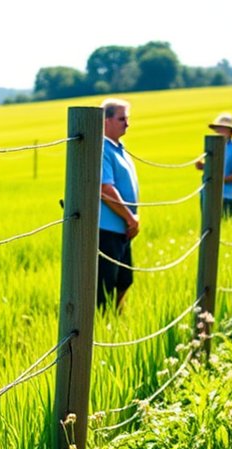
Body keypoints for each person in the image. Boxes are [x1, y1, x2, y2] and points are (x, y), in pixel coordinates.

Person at [97, 98, 140, 312]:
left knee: (125, 279)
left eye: (127, 119)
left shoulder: (118, 148)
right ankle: (101, 323)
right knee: (105, 284)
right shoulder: (102, 149)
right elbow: (105, 190)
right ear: (106, 121)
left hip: (122, 228)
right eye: (122, 119)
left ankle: (114, 316)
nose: (127, 124)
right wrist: (130, 217)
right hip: (107, 229)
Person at [195, 112, 232, 218]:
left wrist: (219, 180)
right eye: (218, 128)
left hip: (226, 195)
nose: (219, 131)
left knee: (223, 224)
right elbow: (213, 166)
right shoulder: (214, 146)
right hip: (208, 192)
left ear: (231, 131)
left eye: (223, 128)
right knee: (207, 224)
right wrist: (202, 166)